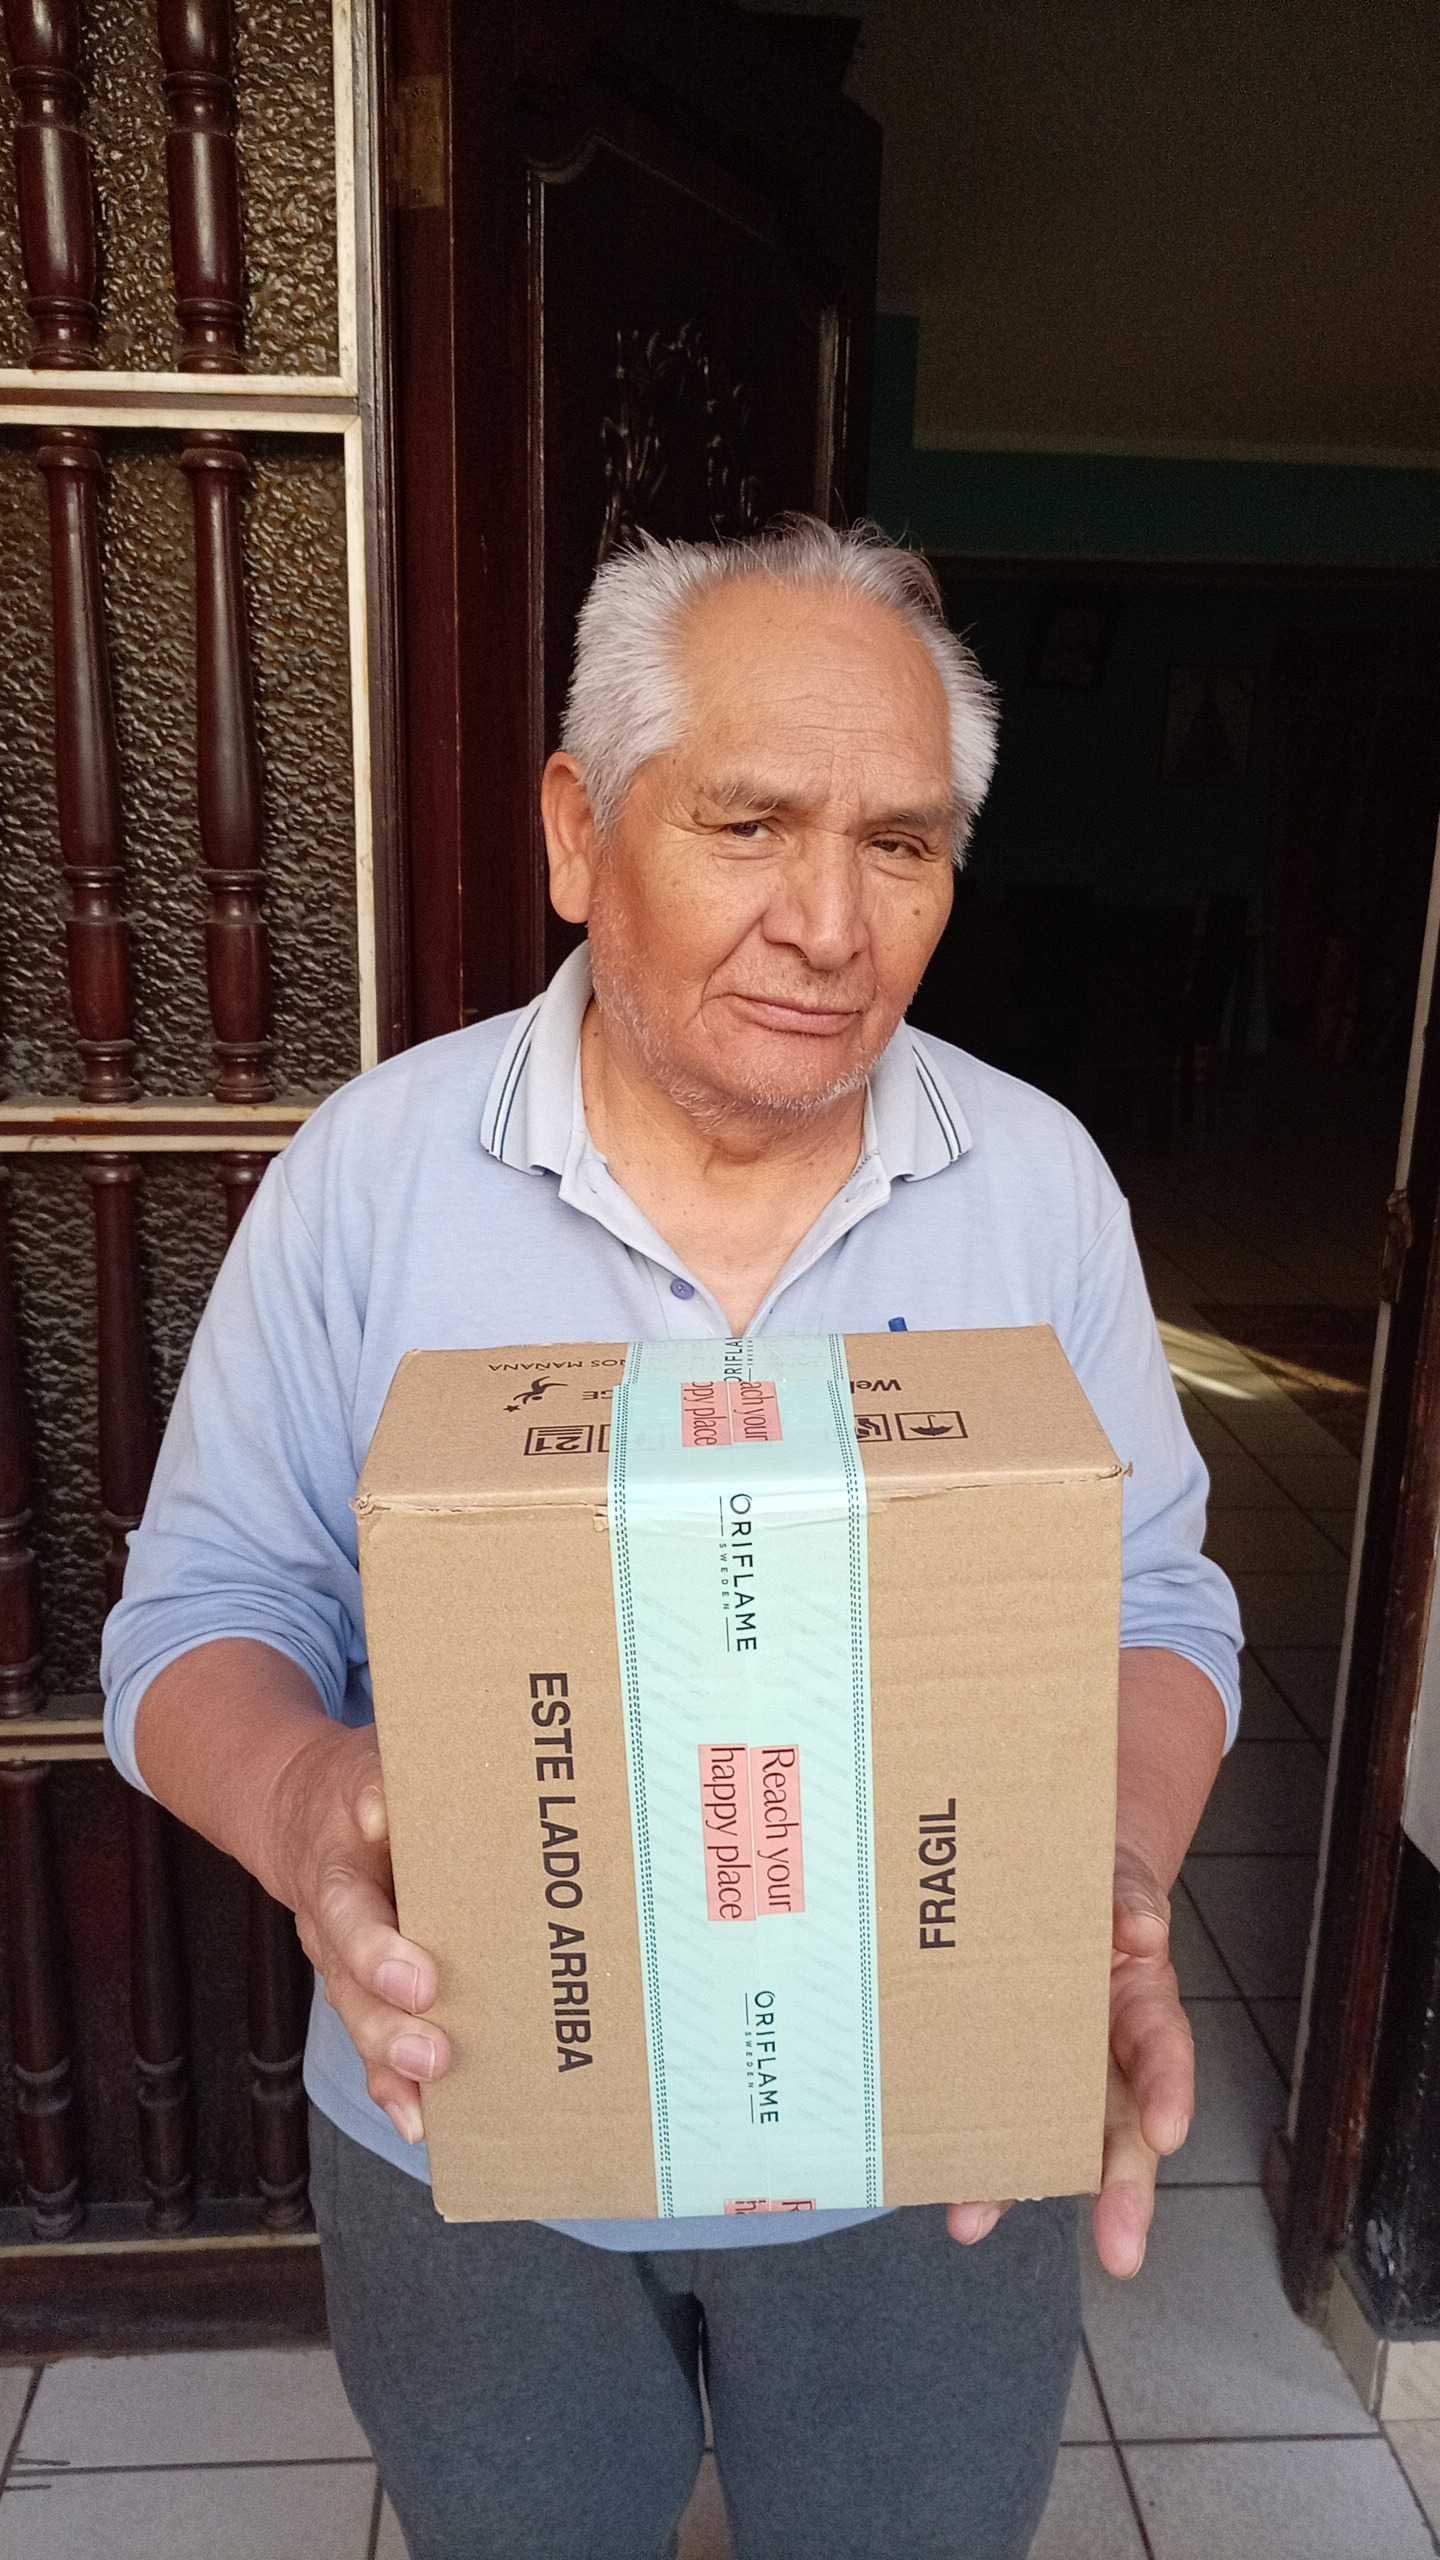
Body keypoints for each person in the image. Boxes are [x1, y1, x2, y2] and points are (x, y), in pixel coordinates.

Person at [102, 517, 1242, 2560]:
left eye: (900, 844)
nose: (830, 922)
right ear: (578, 830)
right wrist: (304, 1805)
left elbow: (1156, 1599)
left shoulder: (1037, 1186)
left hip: (921, 2145)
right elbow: (192, 1620)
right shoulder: (374, 1179)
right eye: (750, 824)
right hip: (477, 2124)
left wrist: (1122, 1873)